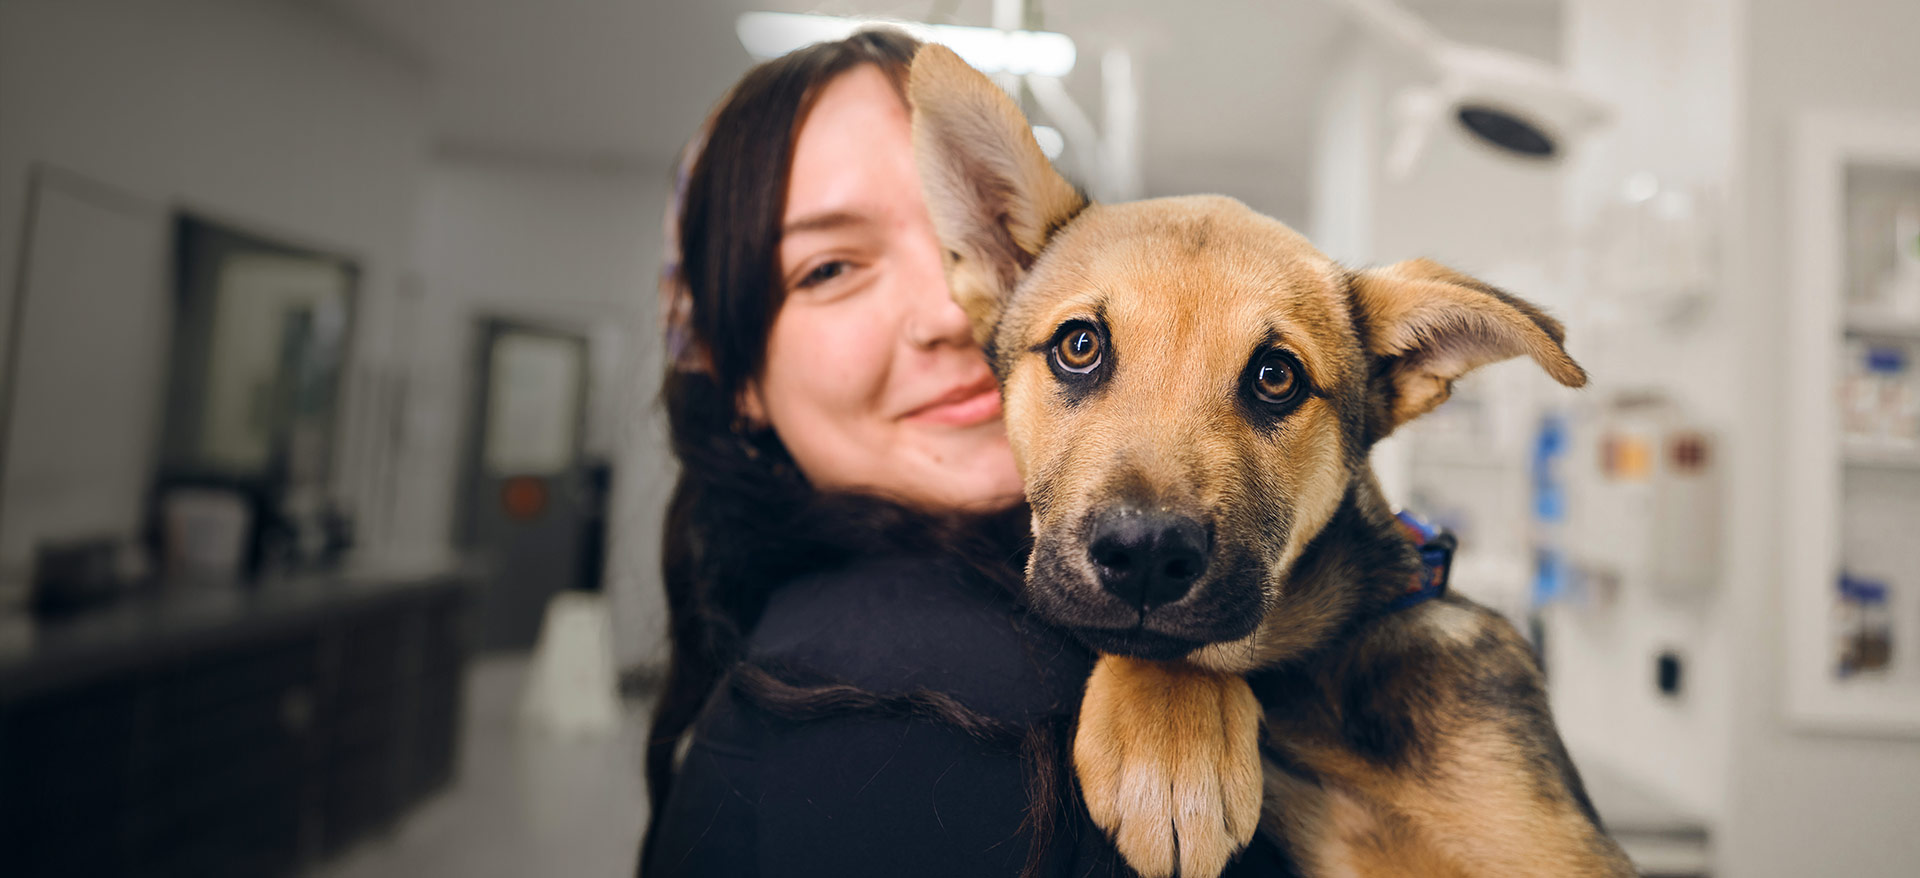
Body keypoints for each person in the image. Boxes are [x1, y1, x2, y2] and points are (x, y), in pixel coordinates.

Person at [640, 29, 1285, 877]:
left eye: (989, 230)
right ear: (736, 377)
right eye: (831, 267)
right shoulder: (909, 700)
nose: (959, 309)